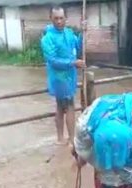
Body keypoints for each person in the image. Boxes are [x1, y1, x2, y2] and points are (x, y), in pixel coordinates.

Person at [40, 5, 85, 146]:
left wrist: (83, 32)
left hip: (70, 75)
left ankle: (61, 138)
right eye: (56, 18)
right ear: (51, 19)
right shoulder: (48, 38)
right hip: (58, 76)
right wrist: (73, 63)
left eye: (61, 18)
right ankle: (70, 139)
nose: (59, 21)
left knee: (61, 106)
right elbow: (52, 61)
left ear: (66, 18)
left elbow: (78, 46)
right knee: (68, 105)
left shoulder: (69, 33)